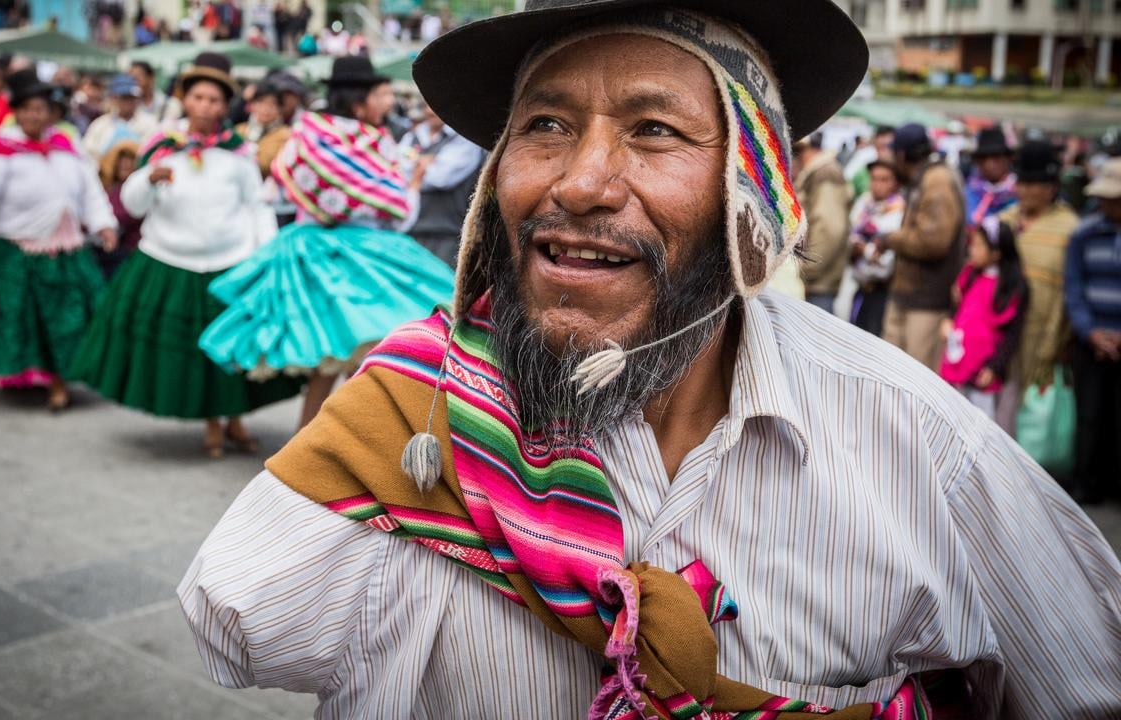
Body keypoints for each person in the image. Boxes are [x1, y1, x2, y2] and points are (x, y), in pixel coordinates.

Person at [180, 1, 1121, 716]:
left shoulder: (924, 448)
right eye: (545, 125)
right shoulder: (402, 420)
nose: (582, 182)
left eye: (655, 130)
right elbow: (237, 622)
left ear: (754, 189)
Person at [198, 55, 454, 430]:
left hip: (313, 253)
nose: (384, 103)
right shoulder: (377, 142)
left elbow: (280, 190)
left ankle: (305, 447)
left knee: (327, 363)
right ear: (359, 101)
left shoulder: (307, 134)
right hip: (368, 257)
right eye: (379, 95)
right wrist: (411, 184)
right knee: (367, 360)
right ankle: (352, 445)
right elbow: (400, 212)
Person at [70, 53, 300, 458]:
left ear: (225, 106)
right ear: (184, 100)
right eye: (198, 98)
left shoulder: (239, 153)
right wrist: (148, 178)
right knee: (192, 352)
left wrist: (263, 255)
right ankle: (212, 423)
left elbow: (256, 205)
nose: (206, 107)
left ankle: (234, 421)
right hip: (170, 259)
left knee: (233, 351)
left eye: (214, 100)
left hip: (229, 263)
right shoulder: (162, 146)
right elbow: (133, 203)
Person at [0, 74, 118, 412]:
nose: (34, 116)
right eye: (27, 109)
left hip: (66, 252)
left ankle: (61, 380)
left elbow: (90, 191)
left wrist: (103, 224)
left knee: (67, 320)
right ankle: (31, 374)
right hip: (18, 252)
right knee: (27, 320)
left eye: (41, 109)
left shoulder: (66, 150)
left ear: (52, 113)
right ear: (16, 112)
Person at [994, 139, 1079, 434]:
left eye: (1033, 184)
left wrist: (1054, 345)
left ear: (1051, 188)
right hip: (1000, 337)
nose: (1025, 191)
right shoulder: (1003, 220)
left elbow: (1067, 295)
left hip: (1043, 337)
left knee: (1033, 416)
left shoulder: (1069, 228)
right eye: (1021, 183)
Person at [881, 123, 966, 370]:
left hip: (926, 301)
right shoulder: (925, 177)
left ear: (901, 155)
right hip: (909, 297)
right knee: (891, 372)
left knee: (914, 374)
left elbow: (934, 242)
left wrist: (890, 239)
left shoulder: (937, 180)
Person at [1065, 158, 1121, 504]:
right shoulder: (1084, 234)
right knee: (1090, 415)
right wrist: (1092, 333)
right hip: (1091, 341)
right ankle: (1088, 484)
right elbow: (1074, 289)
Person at [938, 218, 1027, 420]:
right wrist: (948, 320)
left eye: (978, 246)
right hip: (957, 359)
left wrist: (994, 367)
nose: (971, 250)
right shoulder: (969, 275)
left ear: (996, 253)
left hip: (982, 369)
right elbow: (958, 306)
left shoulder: (1012, 287)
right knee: (949, 414)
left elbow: (1012, 335)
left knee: (978, 421)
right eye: (972, 244)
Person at [398, 100, 485, 265]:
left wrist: (415, 172)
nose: (430, 111)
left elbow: (440, 178)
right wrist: (423, 166)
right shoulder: (411, 136)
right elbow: (397, 173)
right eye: (426, 105)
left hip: (446, 236)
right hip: (409, 232)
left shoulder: (464, 140)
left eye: (435, 105)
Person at [792, 132, 849, 313]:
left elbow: (829, 227)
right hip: (813, 282)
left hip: (817, 285)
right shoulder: (817, 173)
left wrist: (807, 268)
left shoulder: (825, 173)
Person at [847, 158, 903, 337]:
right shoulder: (864, 205)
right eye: (874, 178)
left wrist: (865, 250)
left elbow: (887, 261)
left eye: (884, 179)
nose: (878, 184)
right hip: (861, 287)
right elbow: (849, 234)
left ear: (895, 183)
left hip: (881, 293)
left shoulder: (899, 212)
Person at [92, 139, 142, 279]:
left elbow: (123, 216)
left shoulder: (138, 189)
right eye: (121, 159)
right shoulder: (106, 186)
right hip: (104, 249)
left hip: (129, 252)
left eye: (131, 159)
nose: (126, 164)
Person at [81, 73, 157, 162]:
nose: (128, 102)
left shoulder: (150, 123)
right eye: (124, 97)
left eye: (131, 97)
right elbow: (87, 154)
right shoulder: (100, 125)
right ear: (113, 98)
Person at [234, 79, 291, 178]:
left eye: (272, 104)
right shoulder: (240, 129)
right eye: (261, 102)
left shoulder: (285, 135)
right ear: (252, 105)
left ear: (280, 109)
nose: (266, 109)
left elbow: (265, 165)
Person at [965, 127, 1017, 226]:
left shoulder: (1020, 192)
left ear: (1008, 158)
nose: (989, 164)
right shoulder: (968, 193)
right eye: (983, 158)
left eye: (996, 157)